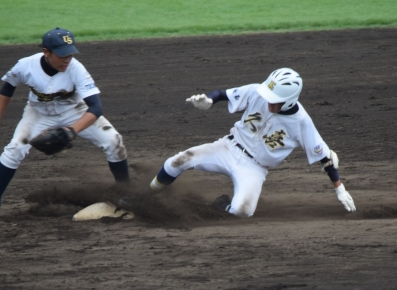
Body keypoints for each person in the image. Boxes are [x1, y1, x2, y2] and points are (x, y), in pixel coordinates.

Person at [136, 68, 355, 217]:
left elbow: (324, 157)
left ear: (289, 101)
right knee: (177, 161)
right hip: (227, 148)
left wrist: (340, 189)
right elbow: (222, 94)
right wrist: (209, 100)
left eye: (274, 101)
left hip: (254, 169)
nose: (268, 102)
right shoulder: (258, 91)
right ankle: (144, 197)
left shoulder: (302, 122)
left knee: (242, 211)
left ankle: (219, 206)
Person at [0, 27, 129, 221]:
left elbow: (96, 107)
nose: (67, 60)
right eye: (62, 55)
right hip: (38, 113)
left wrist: (72, 130)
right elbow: (8, 87)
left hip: (75, 111)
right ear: (46, 52)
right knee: (15, 148)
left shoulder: (76, 69)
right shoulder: (26, 65)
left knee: (114, 140)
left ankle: (127, 195)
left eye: (70, 54)